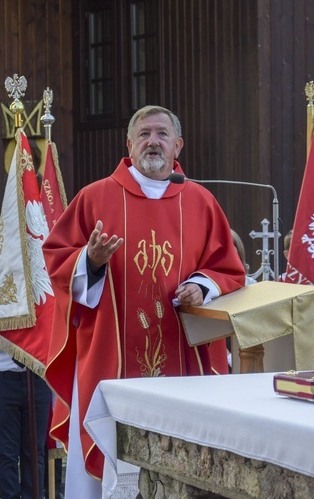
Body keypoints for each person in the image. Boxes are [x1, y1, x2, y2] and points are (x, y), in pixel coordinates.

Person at [42, 105, 246, 497]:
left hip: (183, 360)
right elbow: (57, 262)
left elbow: (228, 268)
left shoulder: (201, 201)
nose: (153, 141)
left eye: (162, 134)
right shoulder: (95, 198)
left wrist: (202, 287)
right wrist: (92, 261)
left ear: (178, 145)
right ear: (130, 144)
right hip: (109, 361)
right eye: (144, 134)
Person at [0, 336, 51, 499]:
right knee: (6, 451)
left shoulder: (42, 308)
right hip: (4, 380)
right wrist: (15, 339)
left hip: (38, 378)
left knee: (34, 450)